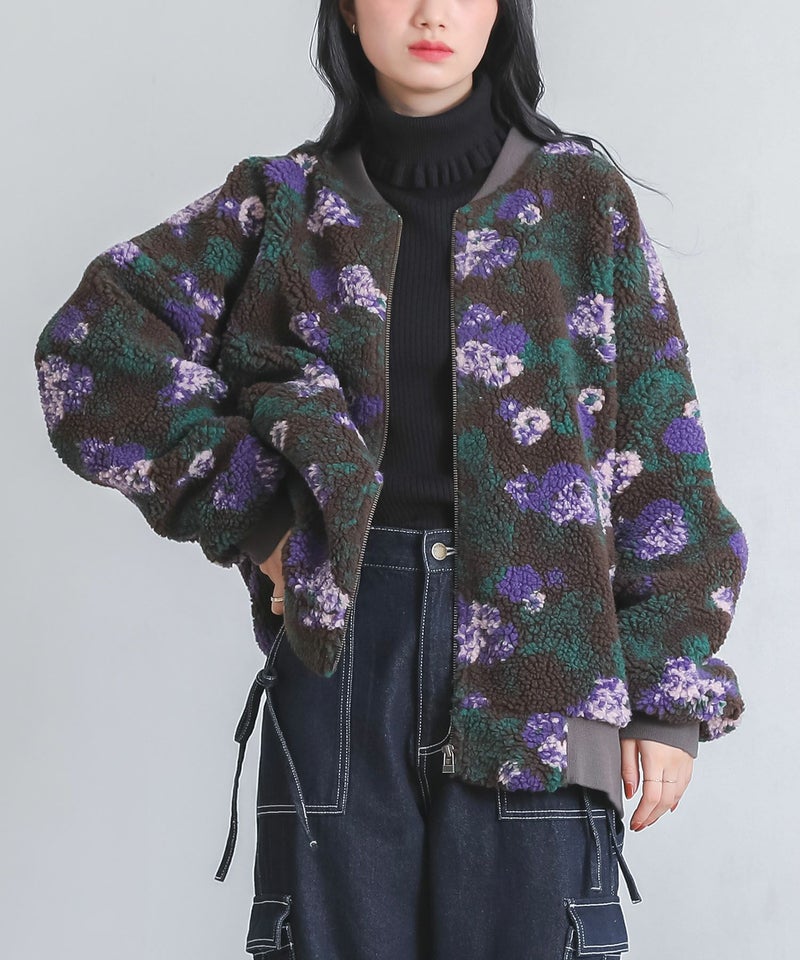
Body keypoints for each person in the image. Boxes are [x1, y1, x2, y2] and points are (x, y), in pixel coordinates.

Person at [33, 1, 748, 957]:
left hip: (550, 674)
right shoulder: (283, 205)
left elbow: (663, 454)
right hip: (340, 661)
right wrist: (264, 517)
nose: (431, 11)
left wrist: (666, 696)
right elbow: (90, 351)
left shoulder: (582, 200)